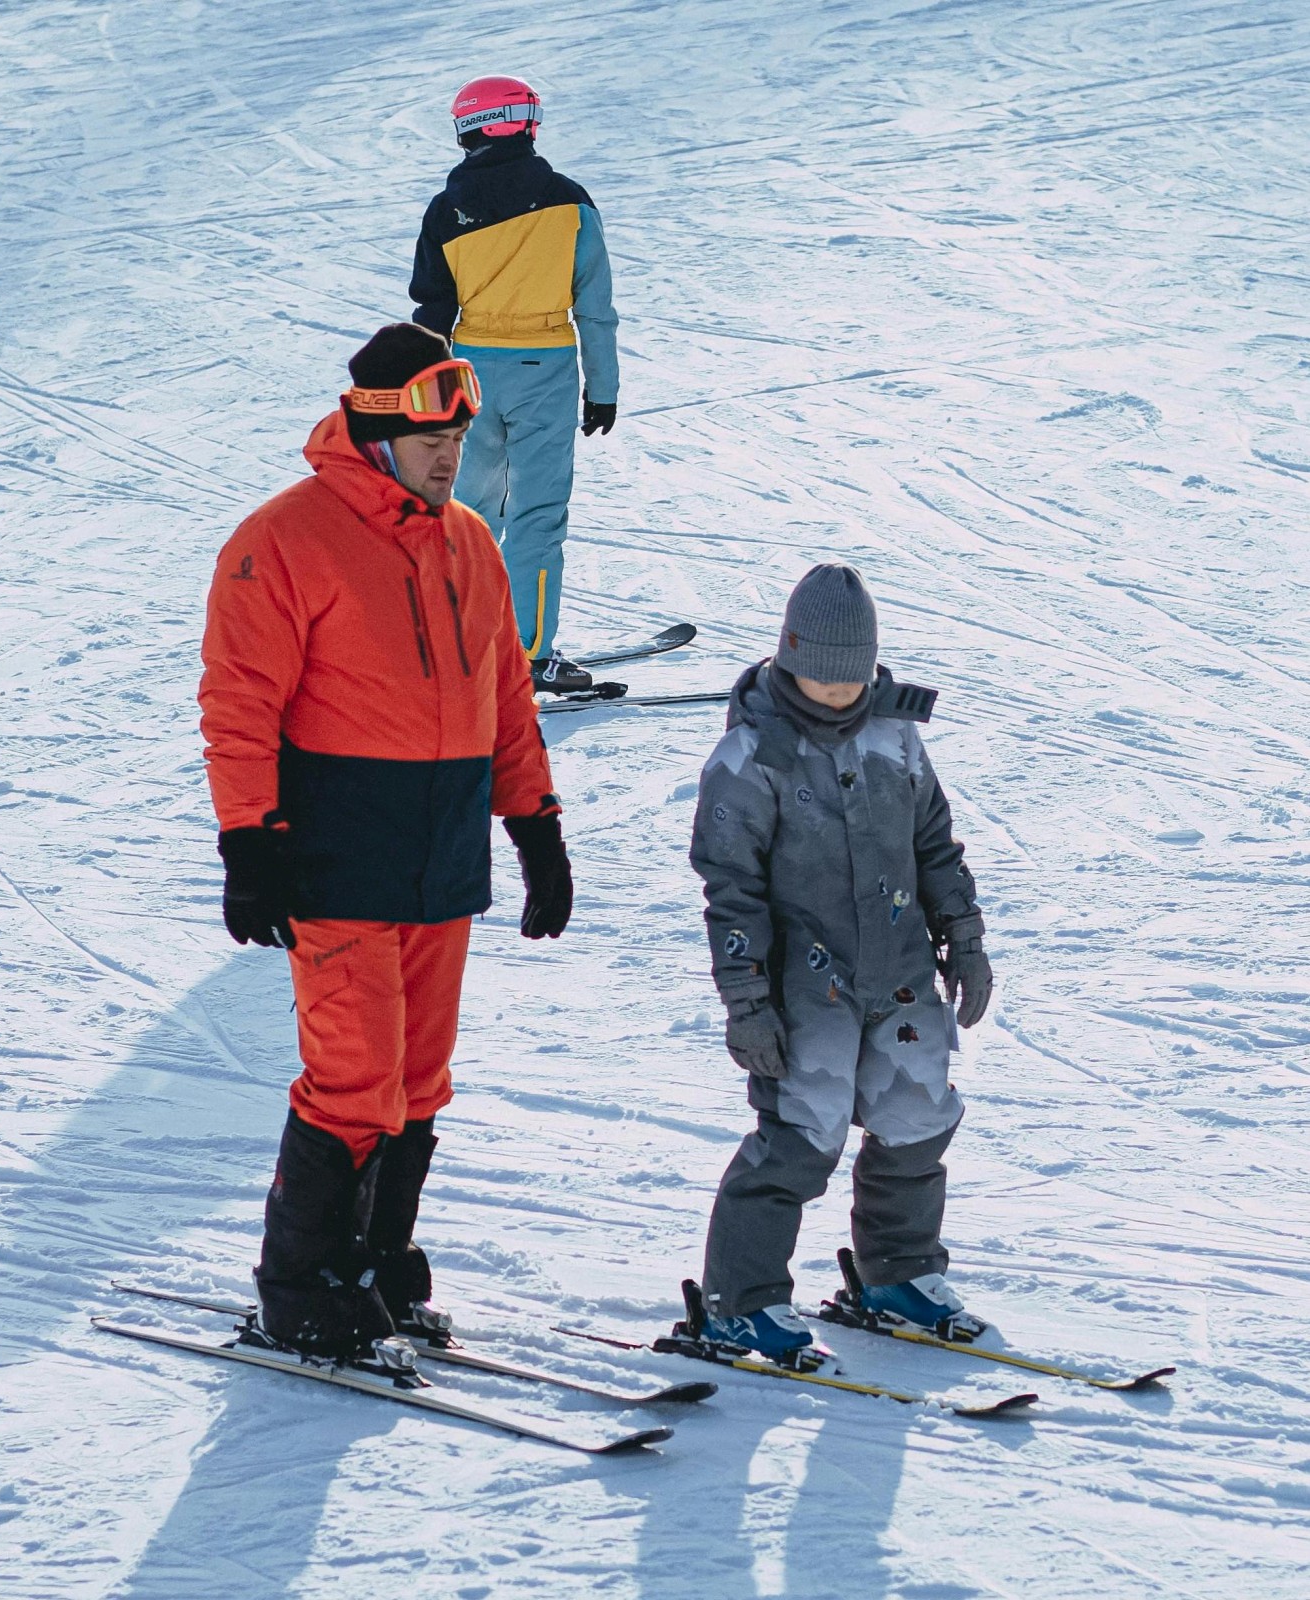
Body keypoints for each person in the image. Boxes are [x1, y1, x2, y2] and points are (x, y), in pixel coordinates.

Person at [198, 322, 574, 1359]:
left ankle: (378, 1268)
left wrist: (534, 825)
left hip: (442, 856)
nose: (452, 455)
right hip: (340, 853)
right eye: (431, 440)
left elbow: (506, 695)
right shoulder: (283, 541)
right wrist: (250, 840)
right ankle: (300, 1284)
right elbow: (238, 704)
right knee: (355, 1078)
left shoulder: (470, 542)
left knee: (418, 1080)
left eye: (460, 435)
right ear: (374, 435)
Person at [685, 564, 994, 1361]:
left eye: (850, 677)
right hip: (805, 987)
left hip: (898, 971)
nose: (835, 691)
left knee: (916, 1122)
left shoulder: (896, 736)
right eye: (819, 676)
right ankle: (741, 1300)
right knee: (800, 1135)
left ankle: (898, 1274)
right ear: (789, 658)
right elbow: (732, 892)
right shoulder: (752, 757)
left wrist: (964, 937)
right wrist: (747, 1002)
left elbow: (934, 845)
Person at [409, 75, 619, 694]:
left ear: (470, 128)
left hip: (470, 370)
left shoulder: (446, 209)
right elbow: (596, 306)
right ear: (527, 123)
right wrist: (602, 386)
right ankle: (528, 654)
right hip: (545, 367)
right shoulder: (569, 201)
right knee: (537, 516)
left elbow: (431, 309)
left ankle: (455, 647)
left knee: (467, 512)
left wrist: (431, 395)